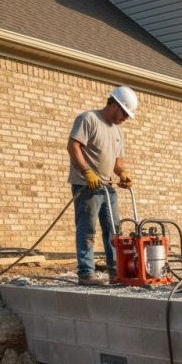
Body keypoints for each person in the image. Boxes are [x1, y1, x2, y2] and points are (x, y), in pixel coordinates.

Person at [67, 86, 138, 286]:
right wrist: (86, 172)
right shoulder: (88, 119)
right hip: (86, 186)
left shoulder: (117, 131)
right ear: (114, 105)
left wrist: (123, 173)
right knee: (87, 229)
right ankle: (86, 273)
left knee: (114, 230)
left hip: (107, 186)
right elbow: (73, 146)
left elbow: (118, 162)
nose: (125, 118)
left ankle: (116, 273)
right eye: (124, 113)